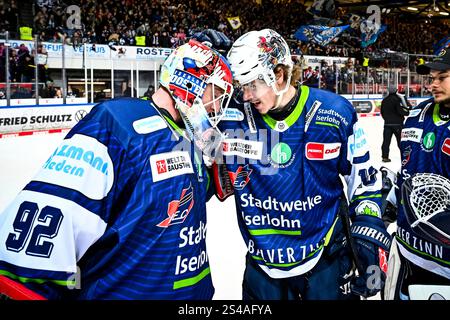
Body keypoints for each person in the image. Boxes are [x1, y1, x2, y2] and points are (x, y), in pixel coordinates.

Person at [0, 40, 234, 300]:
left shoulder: (191, 138)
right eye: (215, 93)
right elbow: (42, 234)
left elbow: (183, 200)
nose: (217, 107)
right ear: (189, 83)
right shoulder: (118, 122)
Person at [213, 29, 390, 300]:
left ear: (280, 75)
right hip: (262, 264)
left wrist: (368, 223)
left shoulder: (334, 114)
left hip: (324, 261)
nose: (246, 95)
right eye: (241, 86)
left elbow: (364, 180)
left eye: (252, 84)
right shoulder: (233, 116)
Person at [384, 48, 450, 300]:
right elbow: (408, 169)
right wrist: (388, 203)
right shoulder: (416, 115)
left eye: (441, 77)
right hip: (408, 252)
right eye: (431, 77)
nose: (432, 84)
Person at [380, 87, 410, 162]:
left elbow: (382, 112)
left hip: (387, 124)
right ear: (396, 91)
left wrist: (387, 119)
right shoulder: (397, 99)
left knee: (386, 142)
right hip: (398, 124)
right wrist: (407, 113)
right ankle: (404, 157)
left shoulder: (384, 100)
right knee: (401, 141)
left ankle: (385, 157)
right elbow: (400, 110)